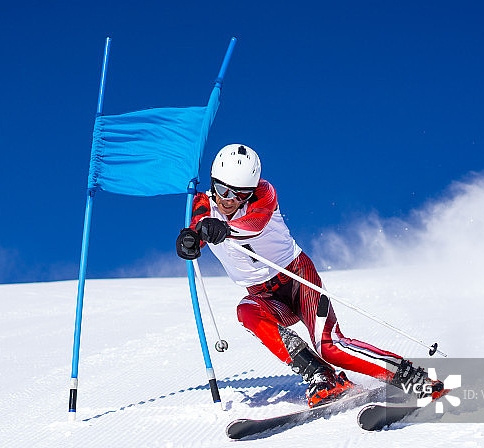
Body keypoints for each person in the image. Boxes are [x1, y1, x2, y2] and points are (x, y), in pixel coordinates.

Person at [176, 144, 444, 408]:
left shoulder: (264, 193)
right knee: (246, 310)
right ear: (213, 182)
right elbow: (196, 233)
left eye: (240, 194)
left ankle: (411, 377)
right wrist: (189, 241)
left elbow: (254, 224)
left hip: (298, 279)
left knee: (330, 346)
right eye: (223, 190)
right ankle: (322, 377)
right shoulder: (200, 205)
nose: (229, 200)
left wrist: (222, 229)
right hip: (264, 296)